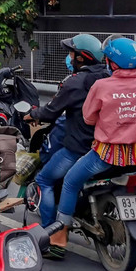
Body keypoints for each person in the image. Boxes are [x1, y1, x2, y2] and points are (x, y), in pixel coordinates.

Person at [55, 38, 136, 233]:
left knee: (71, 181)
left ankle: (61, 234)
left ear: (112, 63)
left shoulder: (101, 86)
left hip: (107, 156)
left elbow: (88, 118)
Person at [27, 34, 109, 259]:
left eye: (72, 53)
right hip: (112, 147)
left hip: (79, 149)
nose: (69, 57)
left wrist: (31, 114)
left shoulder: (75, 83)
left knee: (44, 179)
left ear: (81, 58)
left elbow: (50, 111)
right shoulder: (111, 77)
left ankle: (51, 235)